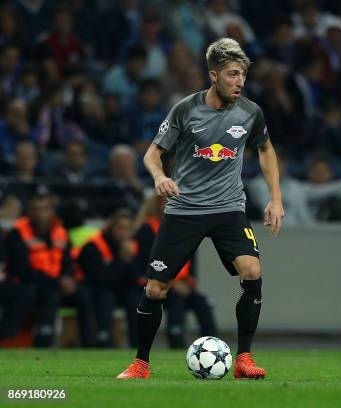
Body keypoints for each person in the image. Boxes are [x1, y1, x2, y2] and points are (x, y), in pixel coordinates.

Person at [117, 38, 284, 379]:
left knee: (252, 272)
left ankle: (244, 360)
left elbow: (266, 150)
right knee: (155, 289)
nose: (240, 82)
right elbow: (152, 153)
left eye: (243, 75)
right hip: (184, 210)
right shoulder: (185, 109)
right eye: (233, 74)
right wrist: (159, 176)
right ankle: (140, 364)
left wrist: (276, 197)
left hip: (229, 208)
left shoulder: (251, 112)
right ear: (213, 75)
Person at [4, 188, 91, 347]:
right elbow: (21, 270)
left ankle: (91, 344)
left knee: (84, 294)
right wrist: (59, 280)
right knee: (49, 293)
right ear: (28, 211)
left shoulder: (61, 232)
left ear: (52, 211)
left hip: (55, 283)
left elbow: (67, 262)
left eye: (45, 209)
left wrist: (67, 277)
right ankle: (42, 338)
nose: (40, 214)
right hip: (29, 284)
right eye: (35, 209)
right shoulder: (18, 233)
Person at [134, 195, 217, 348]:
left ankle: (212, 345)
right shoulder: (147, 229)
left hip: (182, 285)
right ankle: (176, 340)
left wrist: (189, 283)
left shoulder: (185, 229)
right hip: (156, 284)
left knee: (202, 303)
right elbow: (145, 263)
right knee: (176, 298)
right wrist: (172, 283)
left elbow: (191, 264)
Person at [77, 209, 141, 347]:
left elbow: (136, 278)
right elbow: (100, 278)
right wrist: (123, 261)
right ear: (111, 227)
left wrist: (128, 261)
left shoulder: (133, 246)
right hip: (95, 289)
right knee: (105, 295)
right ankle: (104, 337)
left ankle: (137, 344)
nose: (124, 233)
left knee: (134, 297)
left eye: (128, 229)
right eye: (120, 228)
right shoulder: (93, 245)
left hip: (121, 290)